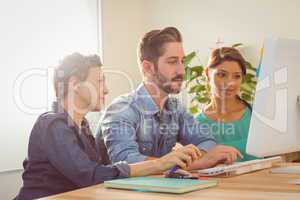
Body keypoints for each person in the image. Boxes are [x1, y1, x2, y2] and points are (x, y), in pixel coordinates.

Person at [16, 53, 202, 200]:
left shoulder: (82, 126)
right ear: (74, 83)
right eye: (99, 81)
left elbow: (100, 175)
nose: (106, 90)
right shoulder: (52, 125)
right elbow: (91, 176)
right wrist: (160, 163)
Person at [96, 27, 242, 171]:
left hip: (159, 191)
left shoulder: (175, 108)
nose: (181, 70)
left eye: (182, 61)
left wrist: (196, 160)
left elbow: (207, 141)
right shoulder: (121, 110)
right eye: (172, 62)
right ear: (148, 68)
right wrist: (198, 163)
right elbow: (127, 163)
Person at [195, 47, 258, 161]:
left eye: (237, 76)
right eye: (222, 75)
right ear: (207, 75)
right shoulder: (197, 125)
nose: (230, 83)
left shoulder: (257, 116)